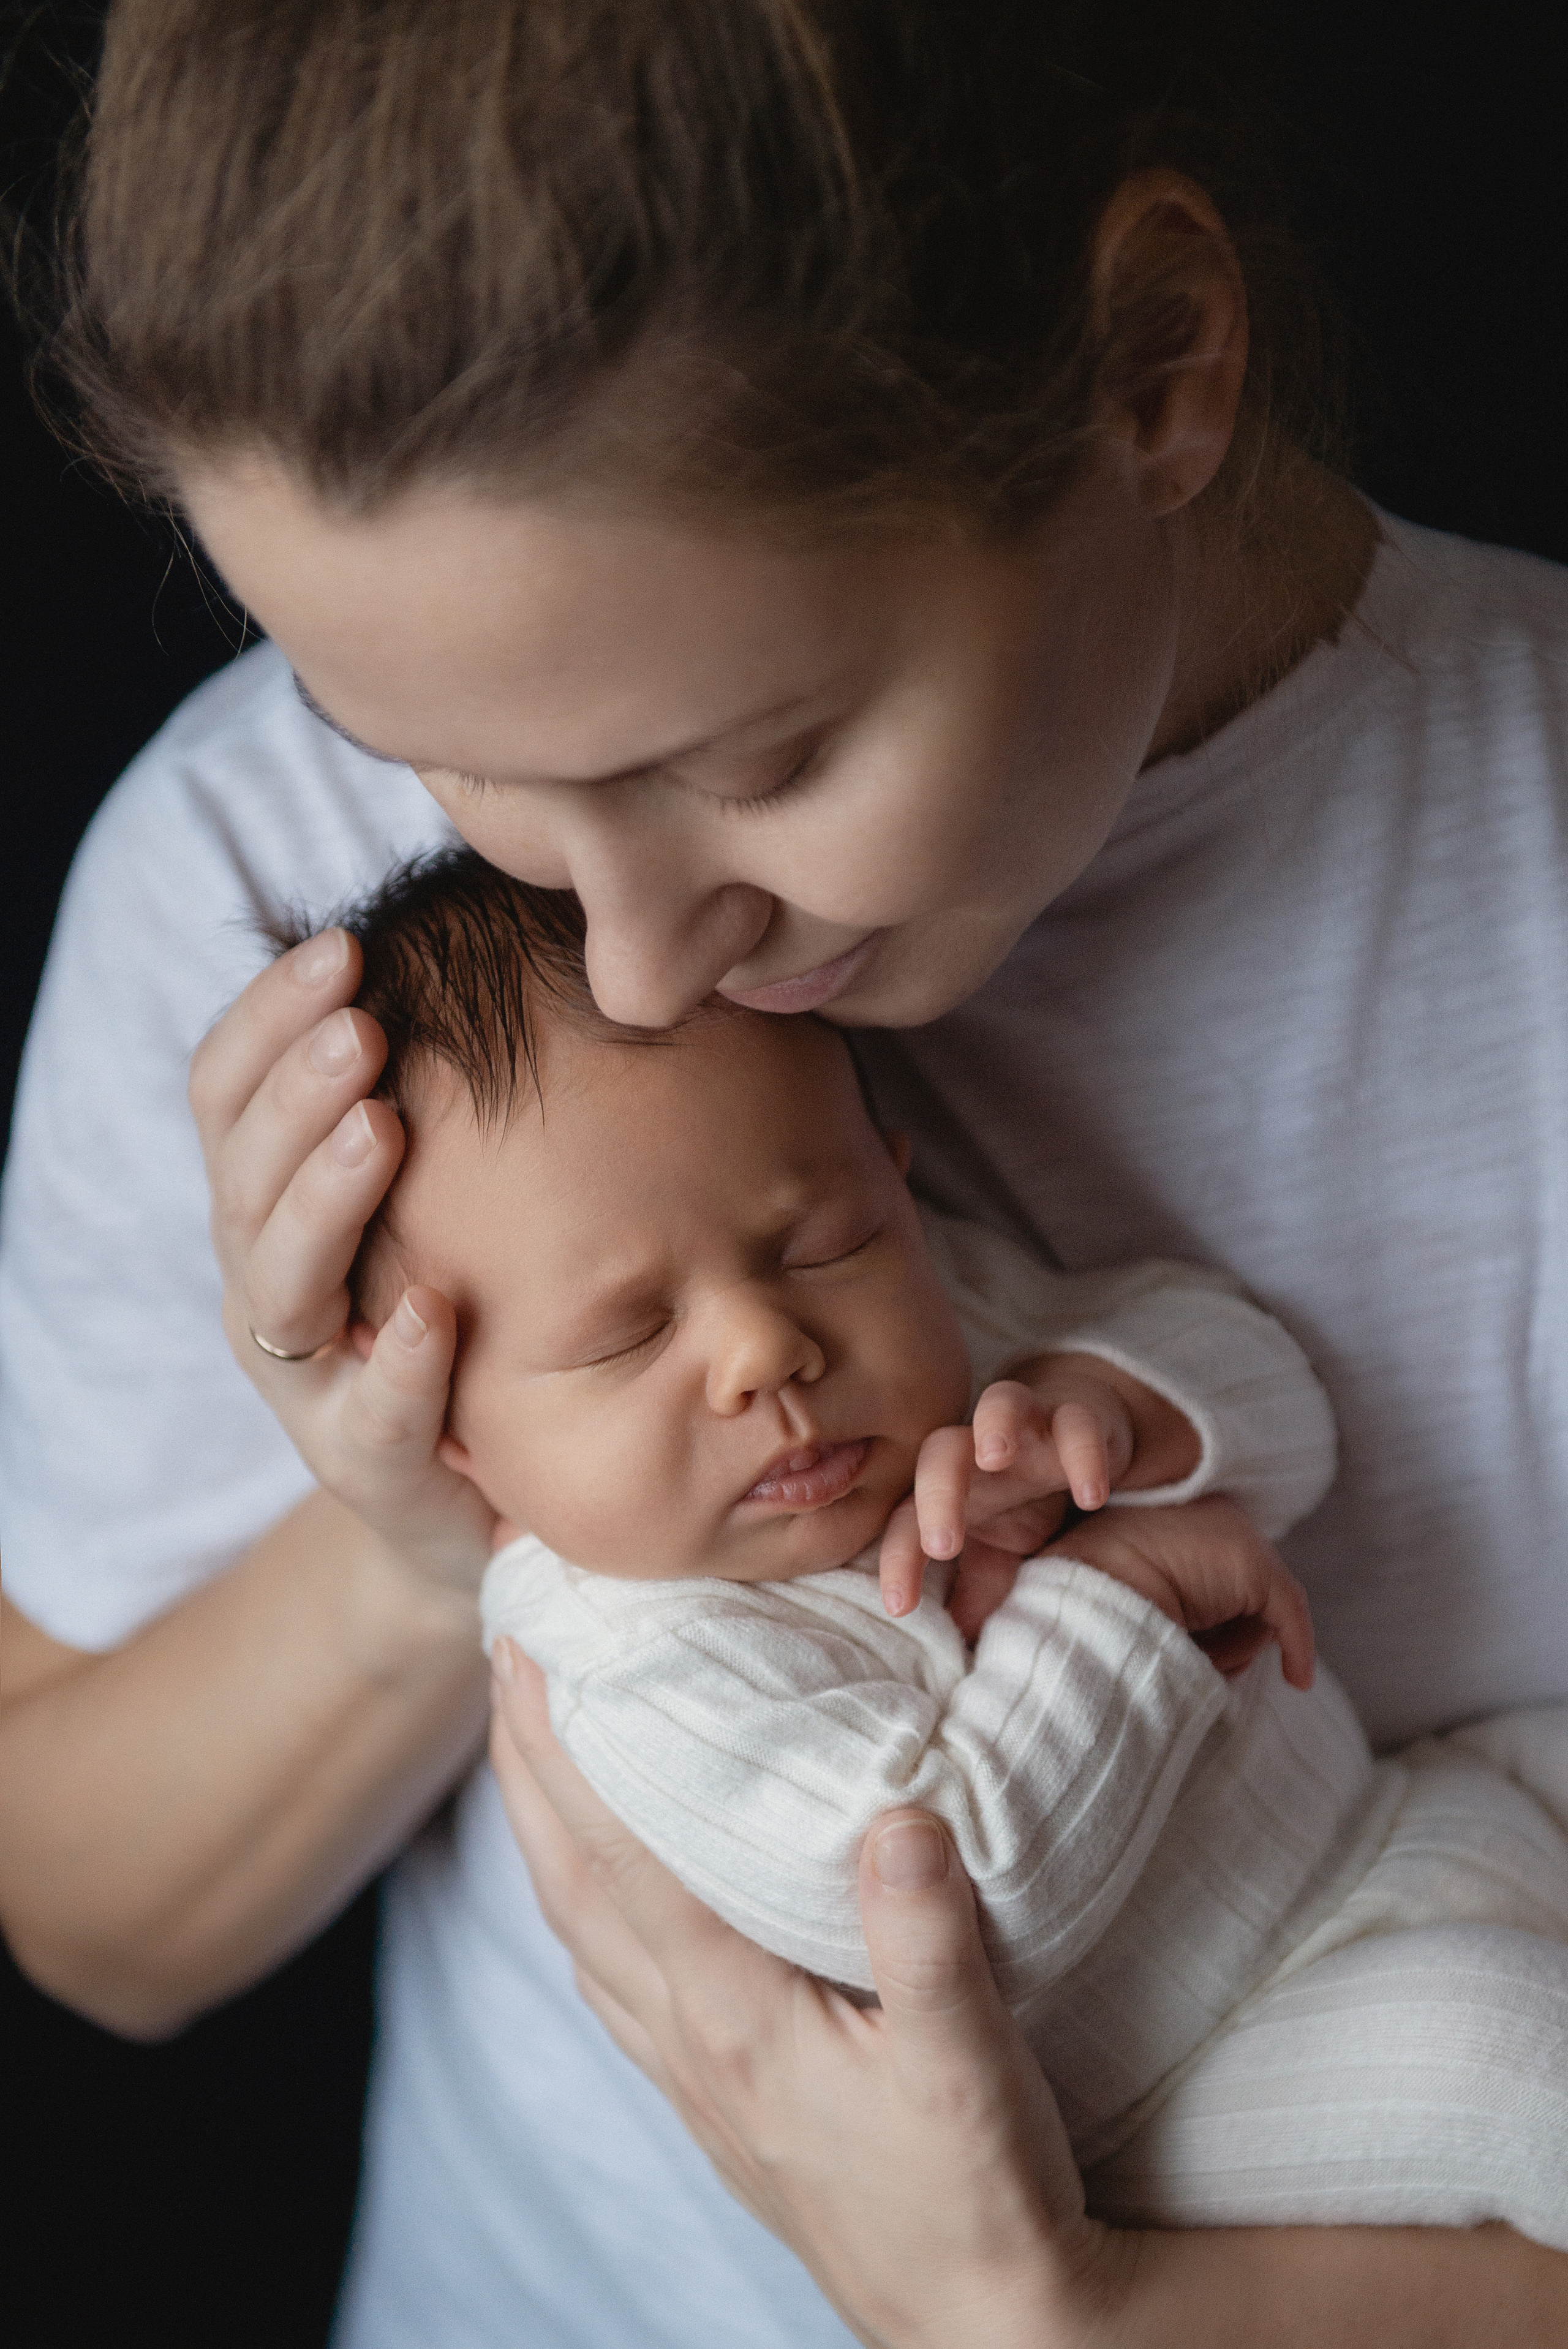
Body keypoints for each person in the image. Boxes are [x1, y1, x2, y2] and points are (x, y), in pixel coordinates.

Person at [4, 2, 1568, 2340]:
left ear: (1154, 367)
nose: (633, 958)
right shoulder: (278, 916)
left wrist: (1077, 2324)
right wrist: (438, 1536)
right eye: (430, 753)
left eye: (757, 756)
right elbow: (91, 1915)